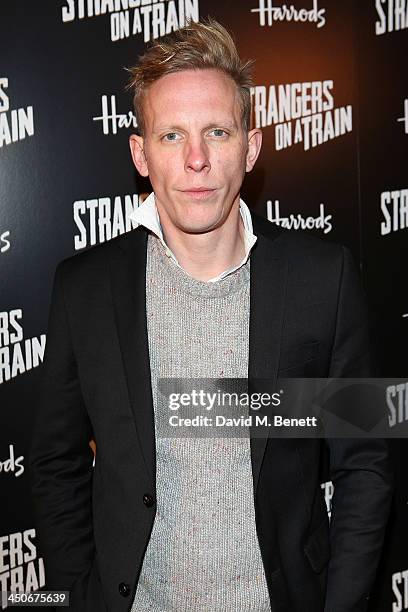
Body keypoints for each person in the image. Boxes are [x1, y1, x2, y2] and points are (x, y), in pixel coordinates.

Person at [29, 18, 393, 612]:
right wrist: (79, 594)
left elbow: (367, 464)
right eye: (171, 135)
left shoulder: (325, 279)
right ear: (140, 153)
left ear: (250, 146)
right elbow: (55, 463)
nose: (196, 159)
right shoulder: (84, 289)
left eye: (217, 132)